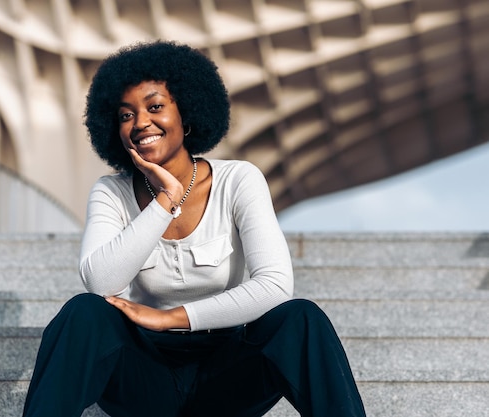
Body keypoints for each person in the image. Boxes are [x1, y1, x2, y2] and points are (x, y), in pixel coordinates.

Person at [22, 40, 366, 417]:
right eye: (125, 115)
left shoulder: (239, 180)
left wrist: (173, 317)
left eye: (155, 107)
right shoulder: (111, 192)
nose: (140, 123)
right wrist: (165, 201)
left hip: (226, 375)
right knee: (83, 313)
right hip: (145, 377)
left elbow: (275, 285)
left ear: (187, 117)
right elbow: (100, 282)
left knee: (301, 319)